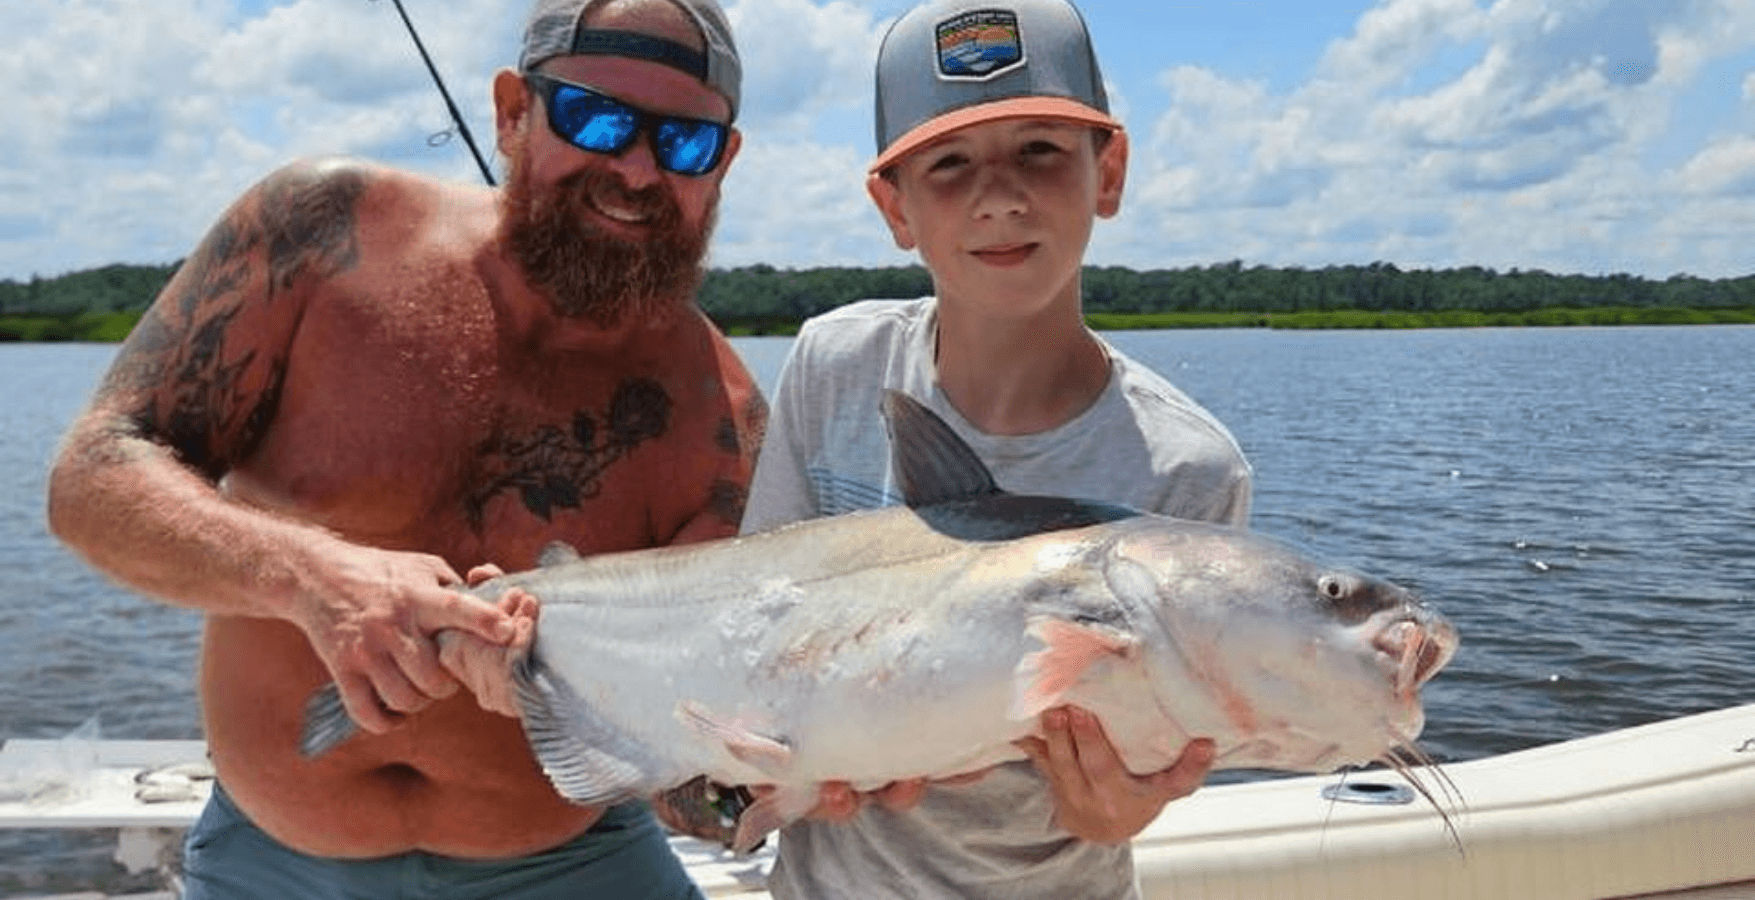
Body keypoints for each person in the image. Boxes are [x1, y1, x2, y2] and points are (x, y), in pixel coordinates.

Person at [45, 0, 763, 896]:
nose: (635, 169)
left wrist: (757, 787)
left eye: (684, 143)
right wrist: (312, 579)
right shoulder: (318, 232)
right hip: (272, 862)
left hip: (574, 862)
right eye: (595, 117)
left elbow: (691, 759)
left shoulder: (722, 417)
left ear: (721, 163)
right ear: (512, 112)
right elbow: (92, 477)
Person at [737, 0, 1254, 897]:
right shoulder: (832, 364)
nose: (999, 196)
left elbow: (1140, 780)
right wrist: (753, 761)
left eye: (1040, 151)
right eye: (947, 164)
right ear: (892, 207)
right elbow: (753, 621)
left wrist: (1117, 806)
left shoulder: (1186, 471)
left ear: (1110, 171)